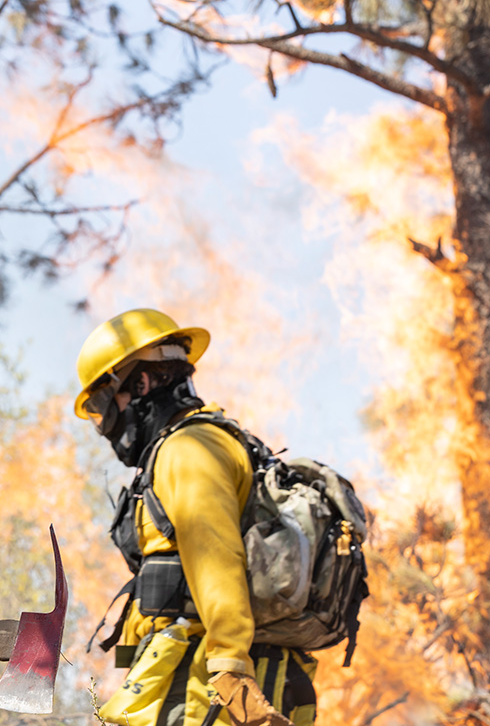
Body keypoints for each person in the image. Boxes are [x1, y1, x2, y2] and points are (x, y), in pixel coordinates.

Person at [74, 309, 316, 726]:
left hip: (208, 681)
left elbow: (214, 556)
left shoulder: (188, 449)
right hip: (195, 670)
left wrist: (230, 668)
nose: (106, 424)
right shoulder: (197, 442)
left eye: (102, 403)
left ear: (141, 382)